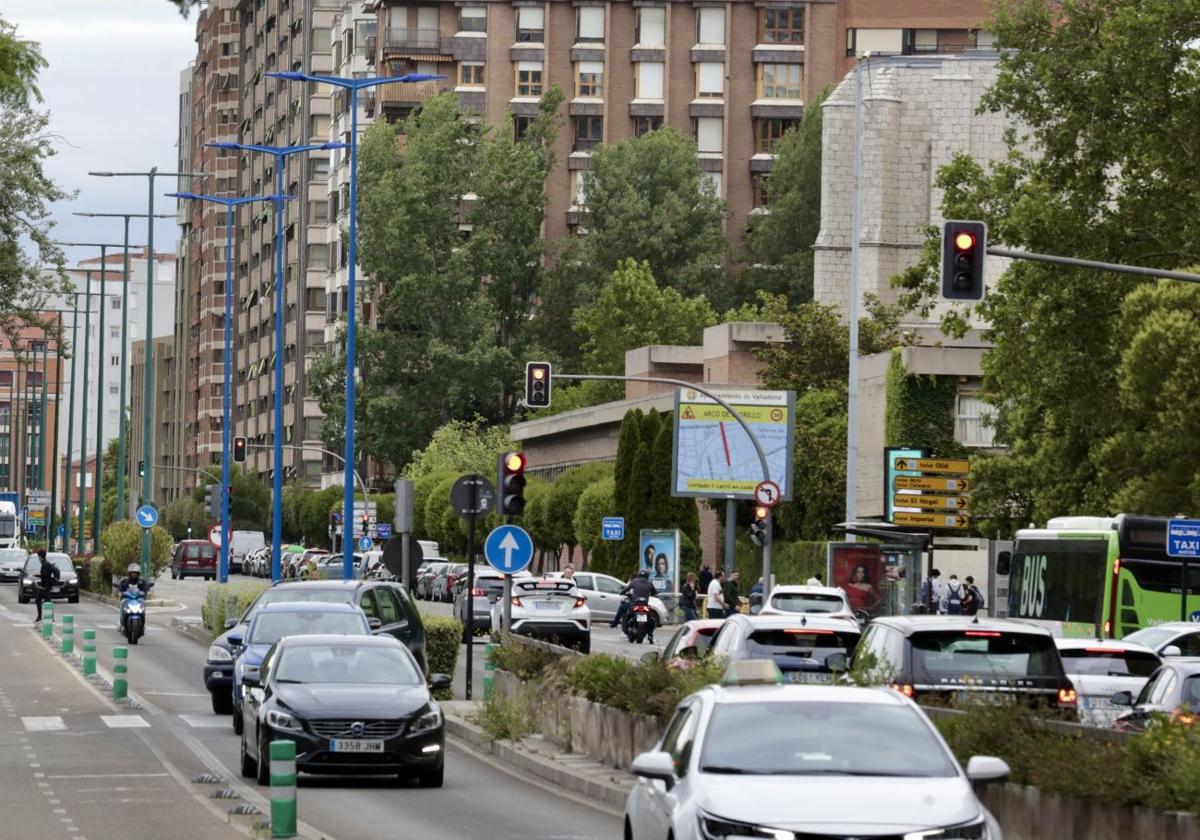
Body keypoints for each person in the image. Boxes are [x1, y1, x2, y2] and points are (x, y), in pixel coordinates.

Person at [616, 569, 658, 642]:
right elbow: (655, 593)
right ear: (647, 576)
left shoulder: (634, 581)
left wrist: (622, 592)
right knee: (651, 619)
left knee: (625, 614)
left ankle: (624, 631)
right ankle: (650, 635)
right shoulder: (650, 583)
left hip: (634, 604)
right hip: (645, 606)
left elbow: (626, 589)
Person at [33, 549, 57, 622]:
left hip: (45, 587)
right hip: (46, 586)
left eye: (38, 556)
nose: (38, 558)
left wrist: (37, 576)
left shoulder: (45, 564)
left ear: (40, 556)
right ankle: (46, 617)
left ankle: (43, 617)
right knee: (43, 600)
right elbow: (45, 575)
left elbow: (45, 576)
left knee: (41, 600)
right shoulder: (46, 563)